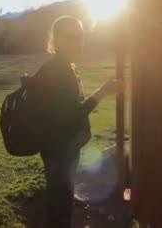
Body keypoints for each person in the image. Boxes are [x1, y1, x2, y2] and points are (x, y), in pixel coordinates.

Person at [38, 16, 124, 228]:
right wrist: (102, 92)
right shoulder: (60, 70)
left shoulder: (65, 66)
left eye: (80, 36)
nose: (78, 42)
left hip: (59, 148)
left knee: (60, 200)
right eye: (71, 37)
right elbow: (73, 114)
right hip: (59, 150)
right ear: (57, 40)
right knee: (61, 204)